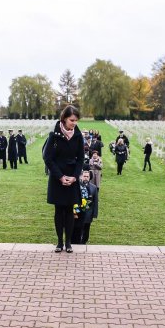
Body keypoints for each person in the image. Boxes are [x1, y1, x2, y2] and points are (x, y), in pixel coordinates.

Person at [45, 104, 85, 253]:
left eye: (76, 121)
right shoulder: (54, 135)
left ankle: (68, 242)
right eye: (71, 120)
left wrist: (74, 177)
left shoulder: (78, 136)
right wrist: (60, 177)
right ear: (64, 119)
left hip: (72, 178)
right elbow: (48, 158)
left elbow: (81, 158)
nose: (74, 123)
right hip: (57, 178)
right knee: (58, 211)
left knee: (69, 211)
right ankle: (59, 242)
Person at [72, 169, 98, 244]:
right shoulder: (77, 186)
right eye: (84, 176)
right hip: (78, 212)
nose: (86, 178)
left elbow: (95, 202)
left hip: (88, 213)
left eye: (87, 176)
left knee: (86, 229)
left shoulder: (94, 188)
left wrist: (94, 214)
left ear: (89, 177)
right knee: (77, 229)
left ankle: (84, 242)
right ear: (81, 177)